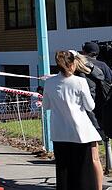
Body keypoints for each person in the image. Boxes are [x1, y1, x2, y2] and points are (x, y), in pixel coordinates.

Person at [43, 50, 101, 190]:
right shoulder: (80, 82)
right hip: (80, 132)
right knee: (83, 171)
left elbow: (46, 106)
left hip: (59, 133)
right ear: (73, 63)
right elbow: (90, 106)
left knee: (63, 172)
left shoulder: (49, 82)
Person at [71, 52, 104, 190]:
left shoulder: (77, 79)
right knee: (95, 158)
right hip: (98, 119)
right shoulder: (96, 70)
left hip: (85, 121)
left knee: (85, 158)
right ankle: (98, 187)